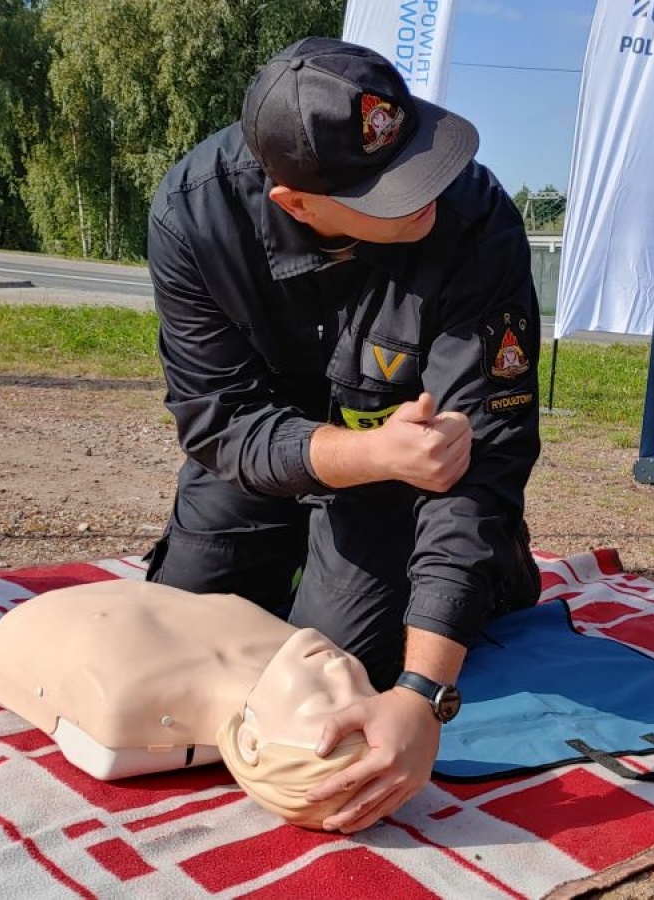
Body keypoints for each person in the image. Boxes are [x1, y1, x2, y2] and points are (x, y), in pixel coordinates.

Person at [142, 36, 542, 834]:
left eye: (421, 157)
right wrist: (362, 451)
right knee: (174, 653)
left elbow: (480, 461)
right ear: (295, 202)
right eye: (392, 191)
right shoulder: (194, 215)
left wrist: (426, 697)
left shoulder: (475, 220)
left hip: (407, 477)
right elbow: (218, 423)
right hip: (274, 459)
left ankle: (497, 577)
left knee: (336, 673)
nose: (428, 194)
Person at [0, 579, 375, 829]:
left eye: (321, 698)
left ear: (249, 744)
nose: (342, 670)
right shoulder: (295, 651)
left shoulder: (126, 699)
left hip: (30, 627)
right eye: (364, 689)